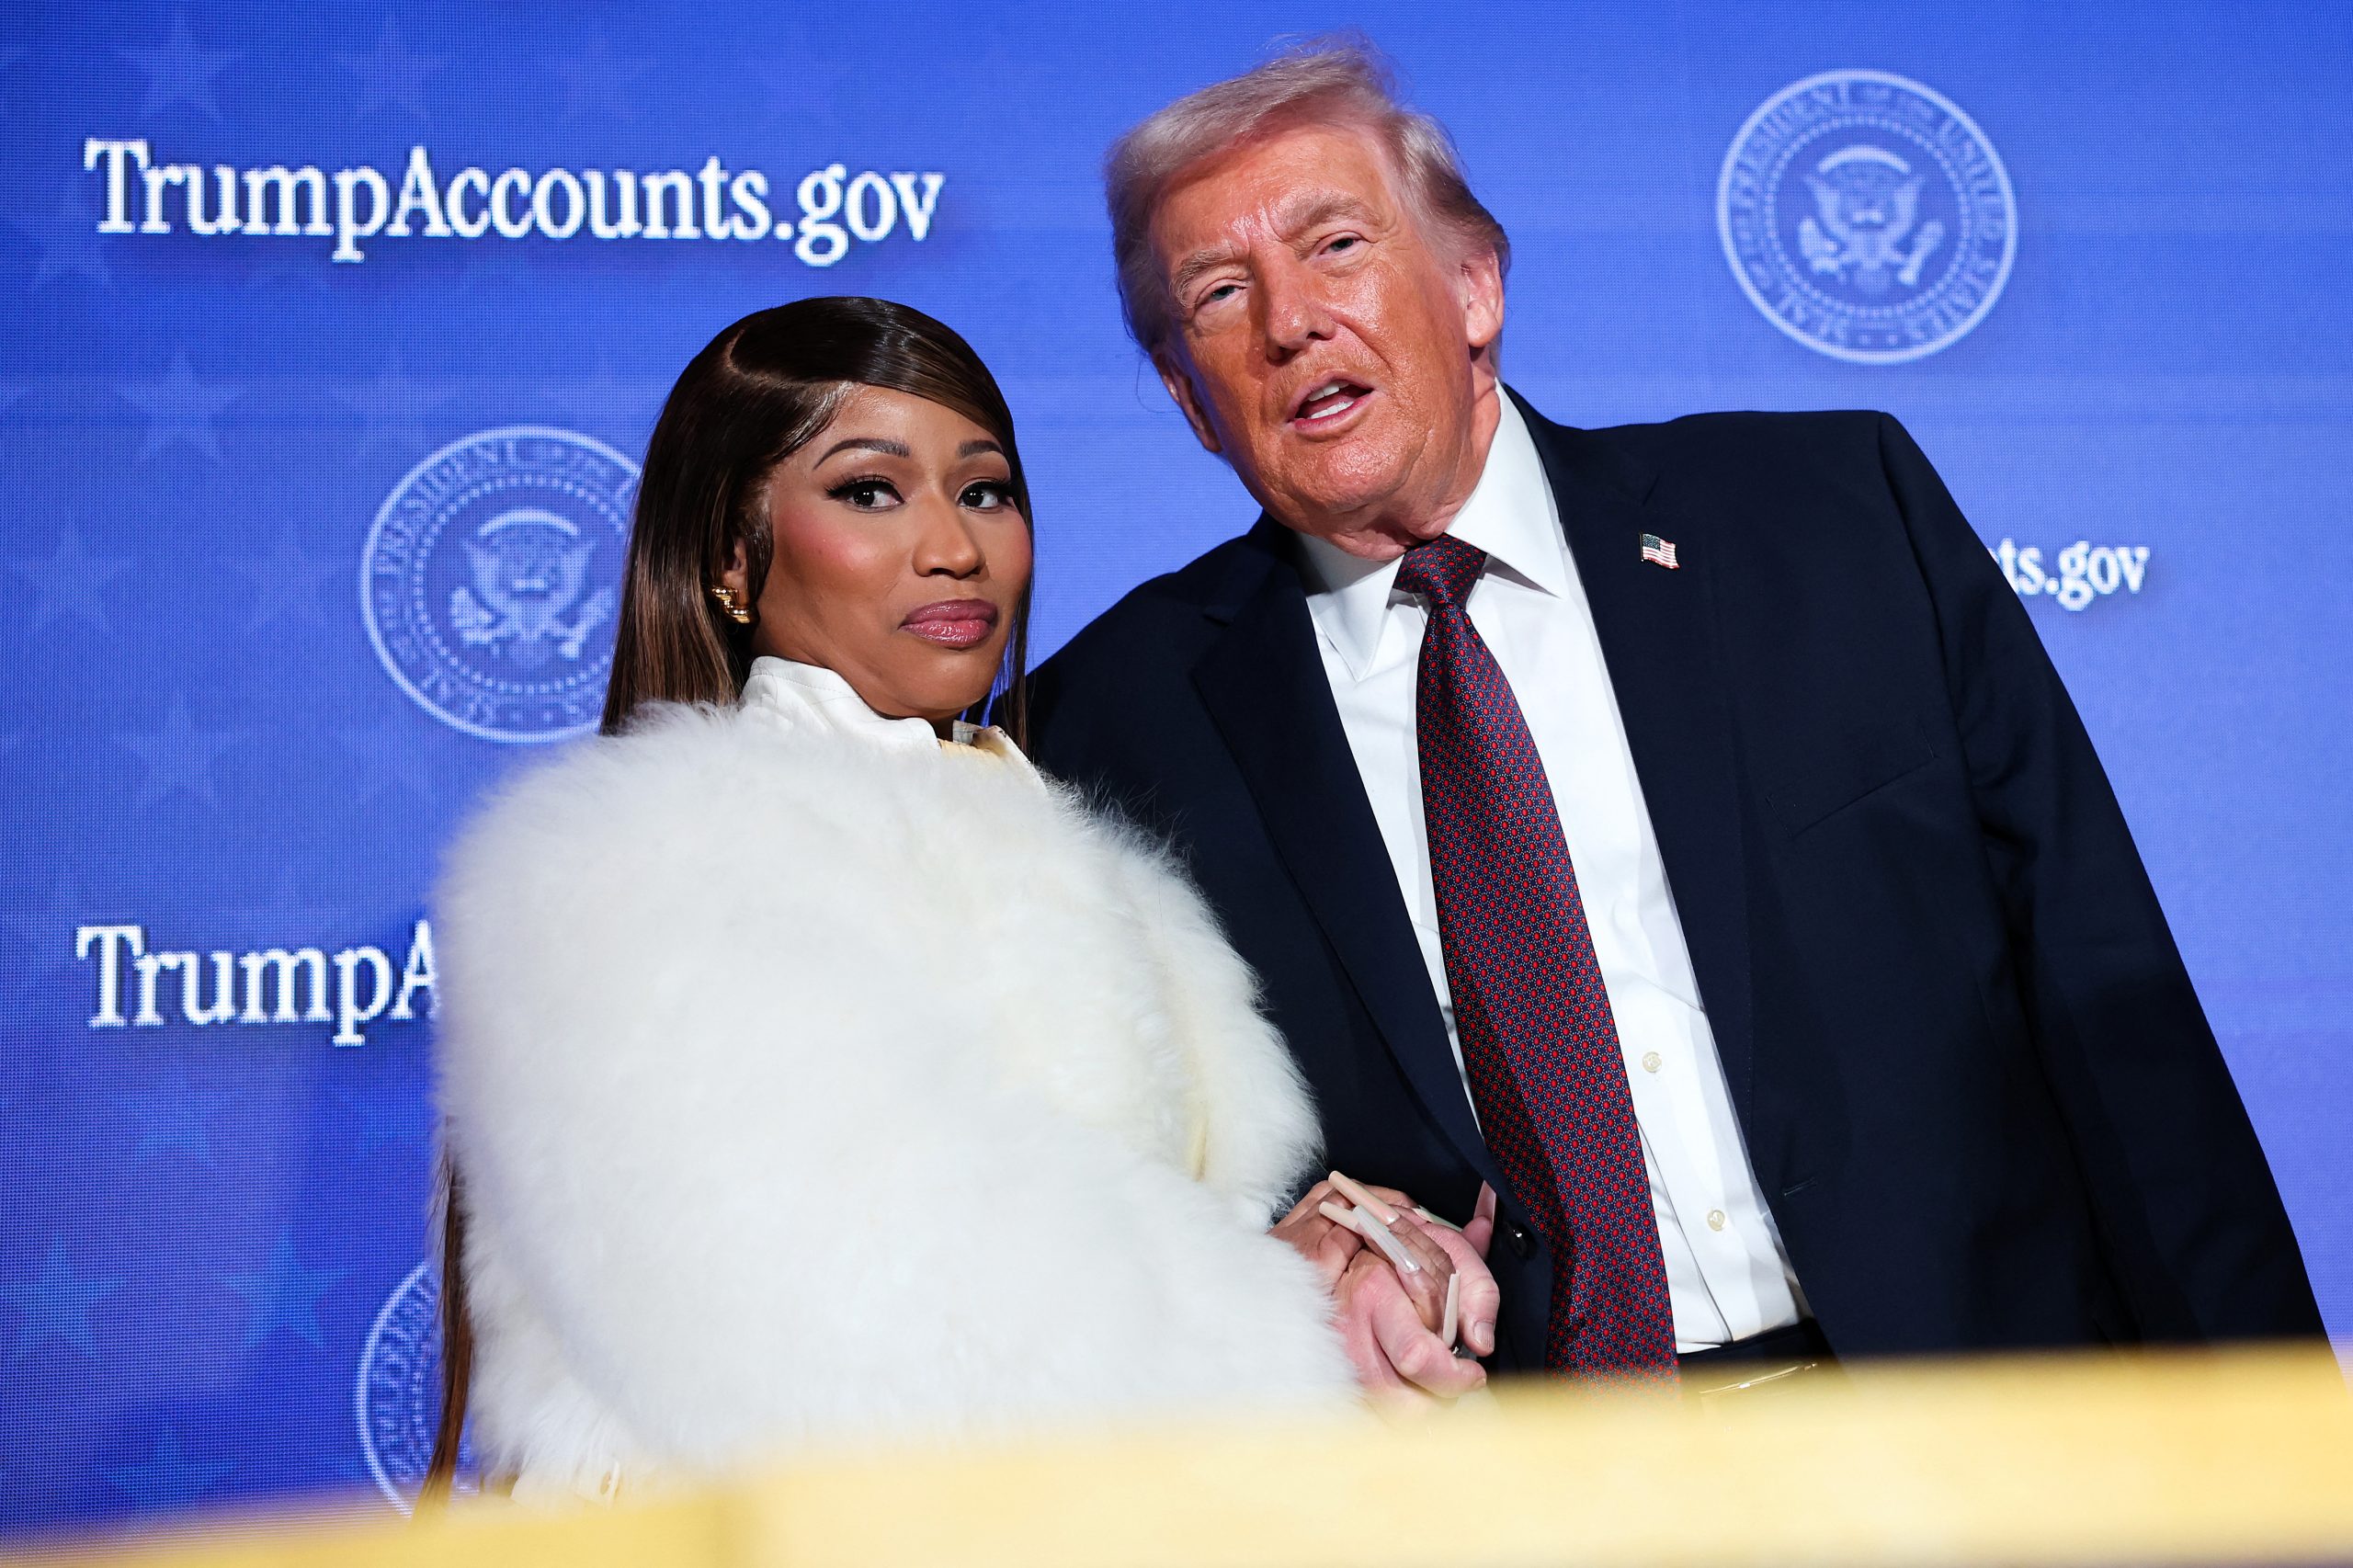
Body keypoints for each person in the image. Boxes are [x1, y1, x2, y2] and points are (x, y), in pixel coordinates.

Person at [1029, 40, 2323, 1392]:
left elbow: (2121, 1038)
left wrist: (2275, 1457)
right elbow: (1123, 1194)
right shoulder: (1121, 720)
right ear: (1188, 400)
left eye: (1336, 244)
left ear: (1474, 287)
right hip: (1528, 1494)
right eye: (1220, 295)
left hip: (1974, 1431)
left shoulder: (1830, 520)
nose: (1289, 320)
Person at [422, 298, 1472, 1506]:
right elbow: (899, 1338)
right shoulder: (645, 869)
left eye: (984, 491)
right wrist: (1287, 1300)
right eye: (870, 491)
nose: (955, 548)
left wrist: (1364, 1258)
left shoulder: (1073, 857)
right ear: (728, 554)